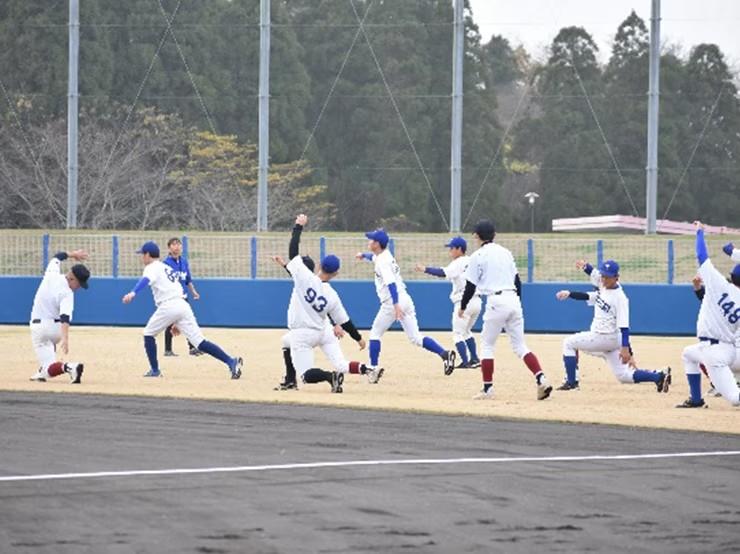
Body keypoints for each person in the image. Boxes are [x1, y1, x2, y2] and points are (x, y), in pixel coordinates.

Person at [272, 214, 381, 393]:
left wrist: (298, 226)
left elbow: (293, 252)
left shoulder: (304, 278)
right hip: (323, 331)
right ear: (336, 273)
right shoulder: (332, 295)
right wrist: (358, 338)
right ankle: (290, 381)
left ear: (320, 266)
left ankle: (330, 377)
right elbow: (345, 322)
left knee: (306, 375)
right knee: (286, 341)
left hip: (303, 333)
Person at [459, 220, 553, 401]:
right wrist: (518, 302)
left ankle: (488, 389)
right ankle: (541, 377)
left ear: (477, 236)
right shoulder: (506, 253)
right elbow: (517, 281)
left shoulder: (477, 256)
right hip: (513, 299)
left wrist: (462, 306)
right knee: (520, 346)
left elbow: (470, 286)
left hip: (496, 300)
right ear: (494, 235)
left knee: (487, 345)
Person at [122, 241, 242, 379]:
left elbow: (144, 280)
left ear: (148, 255)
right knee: (200, 342)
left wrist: (133, 293)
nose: (141, 257)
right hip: (182, 304)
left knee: (148, 334)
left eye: (142, 254)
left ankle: (155, 370)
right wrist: (175, 320)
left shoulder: (152, 267)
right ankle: (231, 361)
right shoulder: (165, 267)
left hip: (169, 305)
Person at [555, 258, 671, 393]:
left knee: (569, 343)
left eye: (608, 277)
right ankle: (658, 376)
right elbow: (592, 285)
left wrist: (627, 349)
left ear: (617, 278)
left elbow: (624, 327)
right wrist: (581, 273)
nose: (604, 279)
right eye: (603, 276)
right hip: (608, 342)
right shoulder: (603, 284)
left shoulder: (620, 298)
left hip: (603, 337)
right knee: (623, 376)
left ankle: (571, 382)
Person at [356, 228, 456, 377]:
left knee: (375, 334)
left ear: (377, 244)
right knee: (416, 338)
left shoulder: (383, 261)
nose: (369, 242)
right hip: (406, 299)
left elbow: (391, 285)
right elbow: (373, 257)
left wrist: (395, 306)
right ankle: (444, 354)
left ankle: (373, 368)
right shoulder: (384, 255)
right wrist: (363, 255)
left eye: (371, 240)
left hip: (393, 302)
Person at [676, 223, 740, 408]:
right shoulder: (719, 290)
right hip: (729, 350)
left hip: (716, 352)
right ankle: (696, 399)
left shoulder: (719, 285)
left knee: (735, 399)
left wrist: (699, 232)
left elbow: (701, 255)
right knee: (688, 354)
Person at [415, 236, 481, 368]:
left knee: (457, 334)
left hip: (464, 302)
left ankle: (465, 362)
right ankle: (474, 359)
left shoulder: (458, 263)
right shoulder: (473, 261)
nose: (450, 251)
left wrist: (425, 269)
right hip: (477, 301)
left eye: (452, 248)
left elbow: (442, 272)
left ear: (459, 249)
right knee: (466, 331)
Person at [29, 250, 90, 383]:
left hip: (40, 328)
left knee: (49, 369)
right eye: (79, 284)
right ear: (72, 278)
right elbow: (65, 318)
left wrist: (73, 254)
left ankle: (70, 367)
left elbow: (58, 256)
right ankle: (41, 372)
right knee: (48, 354)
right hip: (55, 329)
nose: (79, 287)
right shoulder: (67, 293)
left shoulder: (52, 273)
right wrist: (64, 338)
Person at [691, 273, 740, 398]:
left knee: (702, 353)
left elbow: (712, 302)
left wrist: (698, 288)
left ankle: (719, 385)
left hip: (731, 354)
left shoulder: (729, 303)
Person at [163, 237, 201, 357]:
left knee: (188, 321)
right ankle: (168, 349)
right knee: (170, 321)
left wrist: (194, 292)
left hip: (183, 296)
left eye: (178, 244)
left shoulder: (184, 262)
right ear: (169, 248)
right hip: (172, 297)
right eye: (173, 244)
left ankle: (192, 347)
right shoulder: (166, 264)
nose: (176, 247)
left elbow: (188, 279)